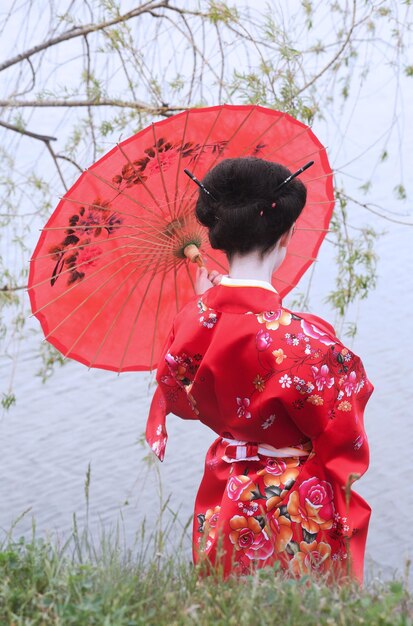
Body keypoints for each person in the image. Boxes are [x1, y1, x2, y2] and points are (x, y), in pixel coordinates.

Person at [146, 157, 373, 582]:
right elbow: (346, 441)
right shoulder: (308, 342)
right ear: (286, 234)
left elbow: (178, 396)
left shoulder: (191, 323)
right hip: (297, 507)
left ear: (219, 237)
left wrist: (202, 310)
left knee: (226, 605)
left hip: (226, 497)